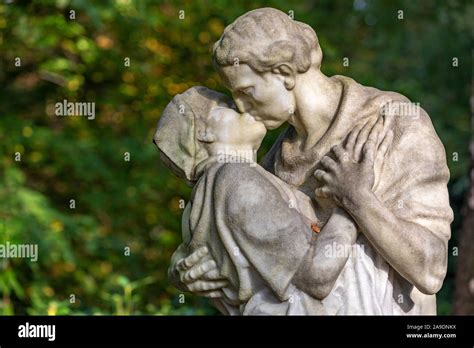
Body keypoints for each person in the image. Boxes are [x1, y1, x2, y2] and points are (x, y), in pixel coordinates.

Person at [169, 8, 453, 314]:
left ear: (284, 74)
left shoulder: (391, 123)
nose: (239, 105)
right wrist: (186, 269)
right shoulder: (274, 160)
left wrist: (358, 199)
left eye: (246, 91)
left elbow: (431, 268)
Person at [154, 86, 389, 314]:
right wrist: (352, 199)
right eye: (226, 105)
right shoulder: (233, 177)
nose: (241, 107)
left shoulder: (214, 193)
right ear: (204, 133)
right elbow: (317, 274)